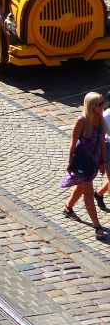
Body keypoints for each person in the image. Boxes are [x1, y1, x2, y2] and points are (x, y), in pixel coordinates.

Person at [62, 92, 108, 240]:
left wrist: (103, 162)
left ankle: (68, 208)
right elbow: (73, 143)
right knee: (88, 192)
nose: (103, 106)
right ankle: (97, 226)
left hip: (93, 162)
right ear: (92, 106)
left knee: (81, 187)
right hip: (82, 161)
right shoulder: (82, 120)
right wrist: (70, 163)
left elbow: (101, 143)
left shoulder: (101, 120)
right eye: (99, 104)